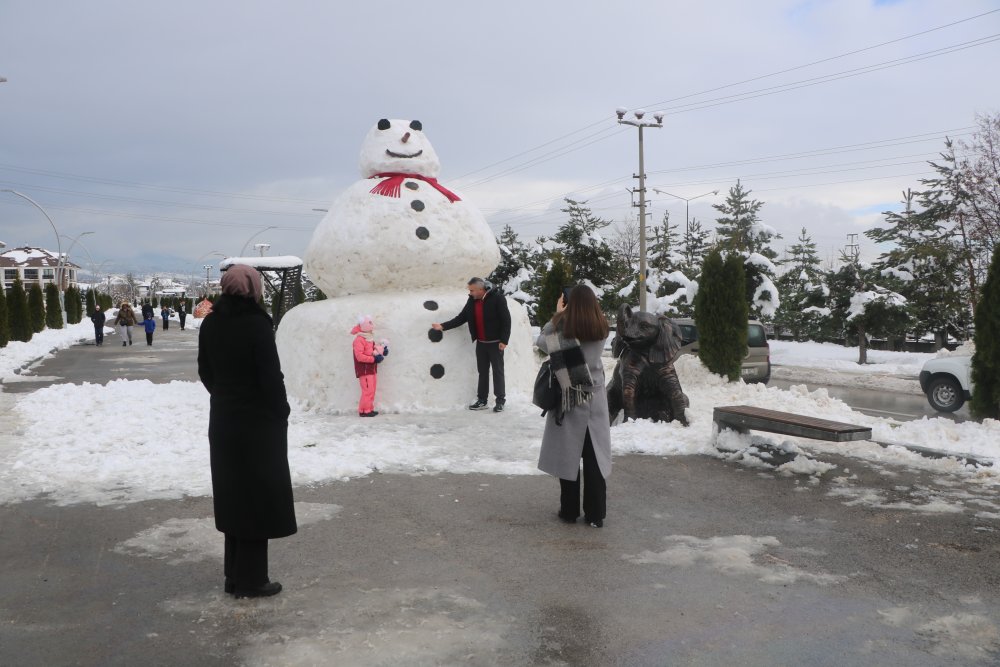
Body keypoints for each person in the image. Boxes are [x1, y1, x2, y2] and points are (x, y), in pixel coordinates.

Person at [197, 264, 296, 599]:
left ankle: (234, 576)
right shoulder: (256, 324)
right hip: (257, 425)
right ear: (254, 289)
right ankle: (252, 579)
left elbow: (205, 370)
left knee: (233, 496)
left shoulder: (210, 323)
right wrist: (280, 411)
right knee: (257, 497)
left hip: (224, 422)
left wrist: (226, 397)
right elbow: (271, 376)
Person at [536, 285, 612, 528]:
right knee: (594, 458)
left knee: (568, 457)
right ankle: (595, 514)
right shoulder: (601, 326)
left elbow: (542, 341)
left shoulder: (564, 328)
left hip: (570, 396)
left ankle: (569, 510)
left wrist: (557, 315)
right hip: (595, 398)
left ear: (568, 303)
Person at [432, 277, 511, 412]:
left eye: (472, 290)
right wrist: (443, 326)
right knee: (483, 372)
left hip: (495, 343)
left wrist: (504, 341)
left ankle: (500, 401)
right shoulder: (472, 300)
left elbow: (506, 320)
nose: (470, 293)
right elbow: (462, 317)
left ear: (481, 289)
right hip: (481, 343)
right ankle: (482, 400)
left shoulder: (498, 298)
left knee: (498, 371)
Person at [351, 315, 389, 417]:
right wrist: (373, 359)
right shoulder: (359, 340)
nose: (372, 325)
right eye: (370, 323)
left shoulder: (369, 338)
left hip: (372, 369)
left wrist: (382, 350)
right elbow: (359, 356)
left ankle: (369, 409)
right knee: (367, 391)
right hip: (364, 370)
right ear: (364, 325)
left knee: (371, 390)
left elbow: (372, 350)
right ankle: (363, 411)